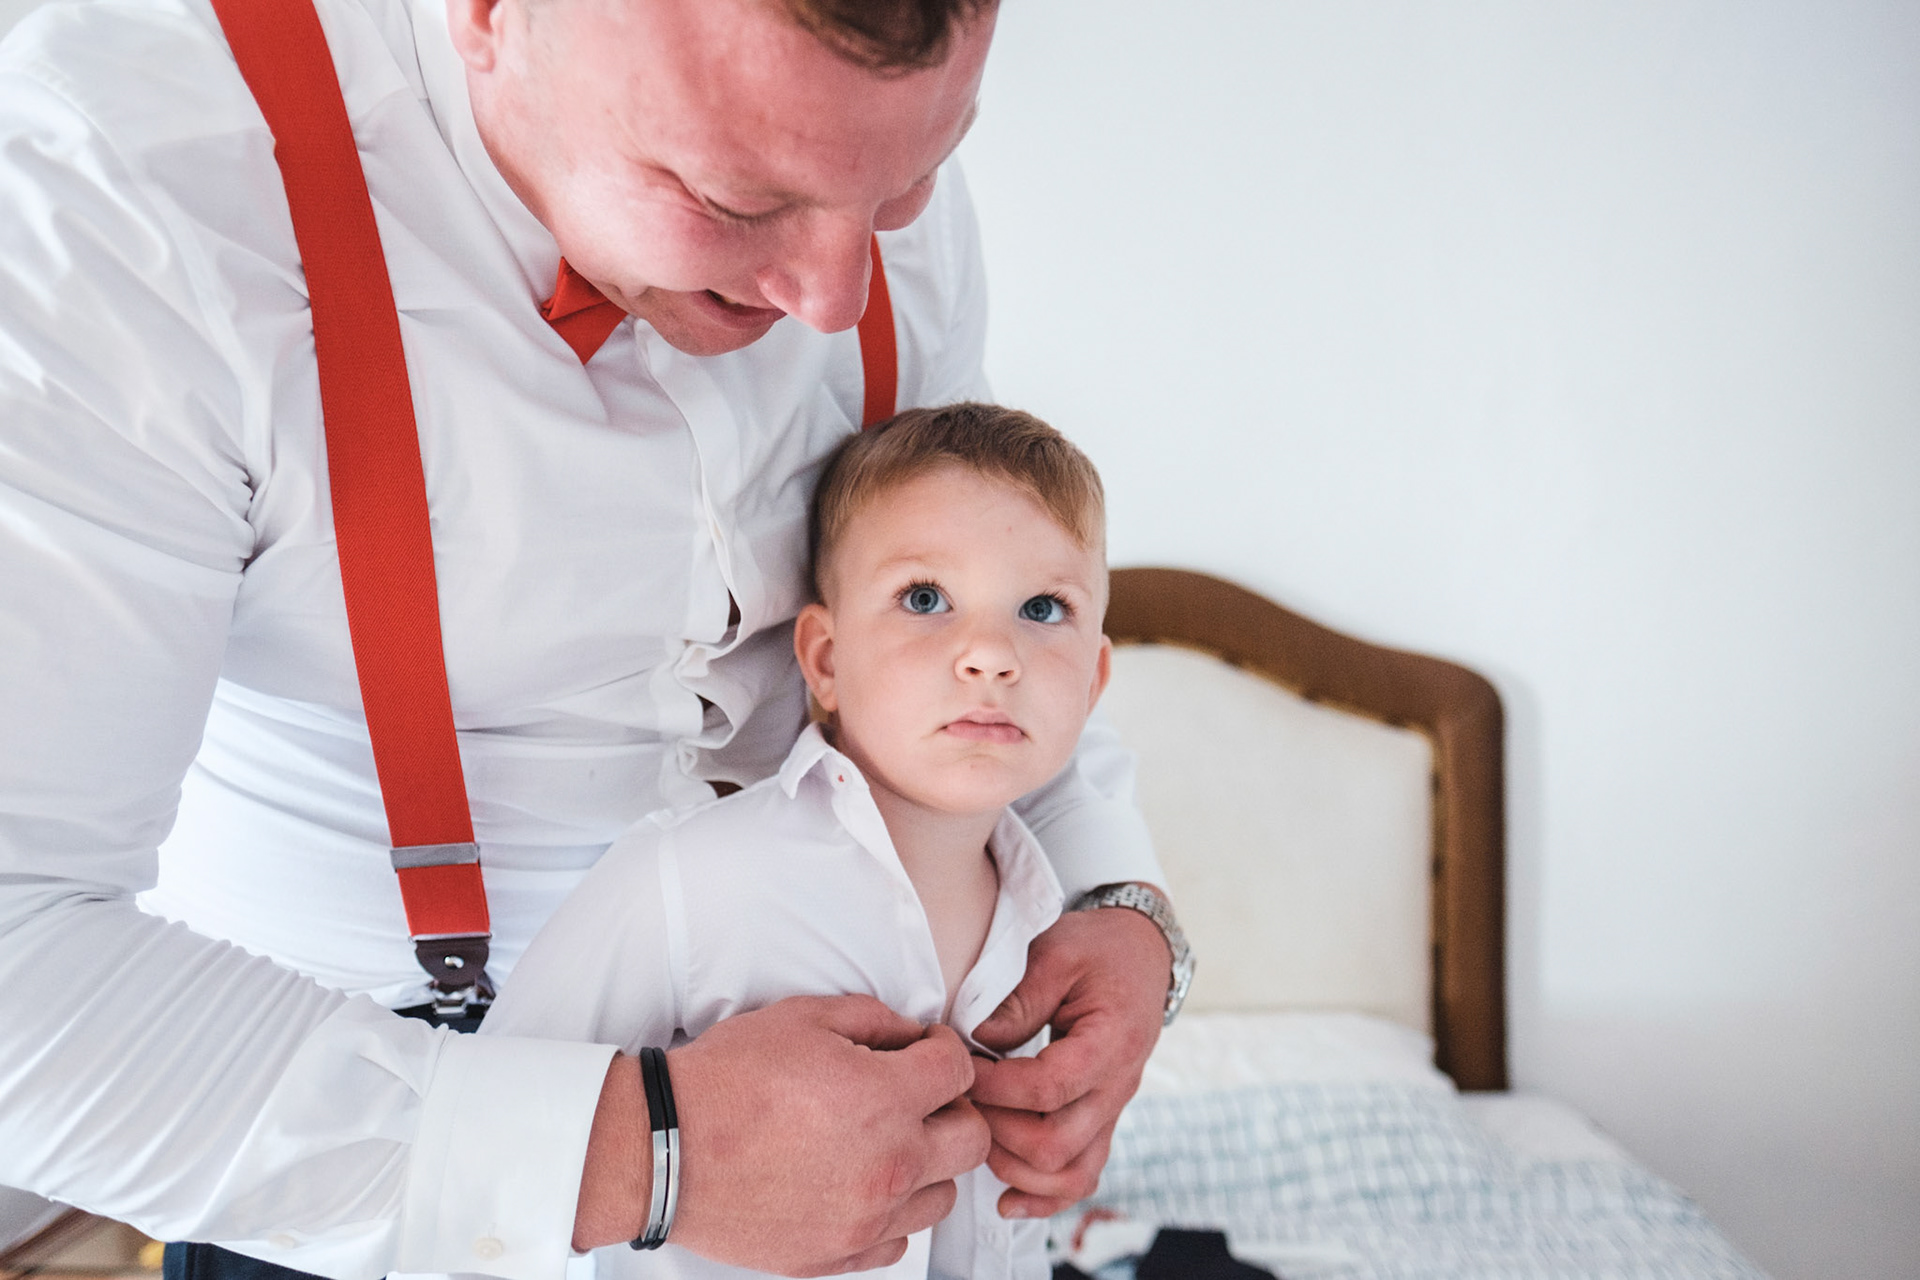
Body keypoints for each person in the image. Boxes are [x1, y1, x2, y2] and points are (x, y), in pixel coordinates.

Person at [0, 1, 1188, 1278]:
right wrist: (643, 1152)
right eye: (736, 199)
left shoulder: (846, 180)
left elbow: (981, 588)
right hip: (365, 1151)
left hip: (875, 1136)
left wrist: (1119, 901)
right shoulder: (113, 185)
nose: (835, 296)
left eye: (909, 186)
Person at [485, 403, 1118, 1280]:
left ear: (1093, 682)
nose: (991, 653)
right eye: (925, 598)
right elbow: (493, 1143)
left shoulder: (1055, 931)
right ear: (823, 659)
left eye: (1043, 607)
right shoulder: (692, 881)